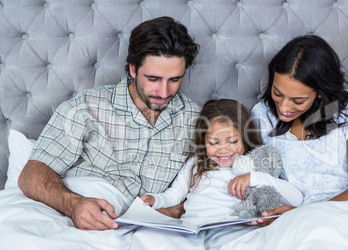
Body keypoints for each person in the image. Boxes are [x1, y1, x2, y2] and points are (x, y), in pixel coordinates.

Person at [17, 16, 201, 231]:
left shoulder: (196, 119)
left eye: (174, 80)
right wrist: (74, 204)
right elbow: (32, 174)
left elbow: (214, 177)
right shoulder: (86, 106)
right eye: (153, 79)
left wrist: (175, 210)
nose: (163, 92)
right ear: (133, 70)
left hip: (149, 230)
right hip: (77, 222)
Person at [250, 35, 348, 226]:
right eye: (277, 93)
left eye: (298, 101)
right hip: (292, 220)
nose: (283, 107)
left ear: (320, 92)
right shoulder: (262, 115)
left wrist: (306, 214)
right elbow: (259, 179)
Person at [140, 99, 303, 218]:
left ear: (245, 138)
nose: (224, 150)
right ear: (203, 141)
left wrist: (253, 178)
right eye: (213, 142)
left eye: (232, 141)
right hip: (192, 228)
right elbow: (175, 194)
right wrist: (154, 199)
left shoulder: (253, 164)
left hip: (233, 229)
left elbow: (297, 198)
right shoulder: (196, 163)